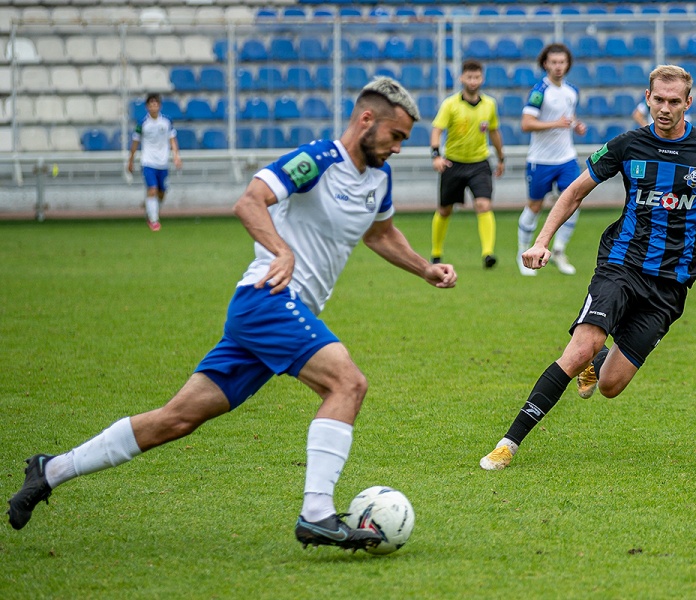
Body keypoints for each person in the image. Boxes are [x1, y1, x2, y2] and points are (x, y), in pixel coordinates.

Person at [7, 78, 458, 551]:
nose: (399, 147)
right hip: (268, 301)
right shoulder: (317, 160)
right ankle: (316, 513)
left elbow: (380, 234)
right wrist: (281, 250)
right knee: (348, 383)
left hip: (276, 317)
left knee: (176, 418)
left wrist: (425, 268)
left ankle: (51, 470)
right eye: (395, 135)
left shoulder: (379, 179)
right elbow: (249, 201)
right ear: (366, 120)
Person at [479, 65, 696, 470]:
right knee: (580, 349)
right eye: (658, 100)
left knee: (610, 385)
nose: (665, 108)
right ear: (647, 98)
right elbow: (574, 192)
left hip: (670, 285)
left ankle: (599, 360)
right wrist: (542, 240)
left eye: (674, 101)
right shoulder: (627, 145)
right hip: (621, 265)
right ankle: (508, 443)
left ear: (688, 103)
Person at [516, 43, 586, 277]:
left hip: (566, 158)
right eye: (554, 62)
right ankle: (523, 253)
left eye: (562, 62)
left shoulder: (571, 91)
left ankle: (558, 251)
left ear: (568, 64)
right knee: (535, 206)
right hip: (541, 160)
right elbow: (526, 123)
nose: (558, 66)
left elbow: (569, 118)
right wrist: (556, 124)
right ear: (545, 64)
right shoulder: (539, 91)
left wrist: (576, 126)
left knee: (573, 201)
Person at [430, 59, 505, 268]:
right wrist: (436, 155)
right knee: (445, 210)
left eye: (477, 77)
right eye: (469, 77)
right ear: (462, 78)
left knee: (483, 205)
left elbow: (494, 132)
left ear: (482, 78)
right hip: (453, 163)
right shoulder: (450, 104)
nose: (473, 81)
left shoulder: (489, 104)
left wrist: (501, 157)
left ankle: (488, 253)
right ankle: (436, 253)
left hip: (479, 163)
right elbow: (437, 130)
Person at [127, 93, 182, 232]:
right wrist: (130, 160)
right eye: (151, 104)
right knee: (152, 190)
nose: (153, 107)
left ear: (159, 106)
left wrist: (176, 156)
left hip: (163, 162)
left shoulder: (166, 121)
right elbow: (135, 142)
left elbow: (172, 139)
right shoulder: (142, 123)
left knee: (161, 193)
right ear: (147, 106)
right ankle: (154, 220)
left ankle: (150, 207)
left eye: (155, 104)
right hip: (148, 162)